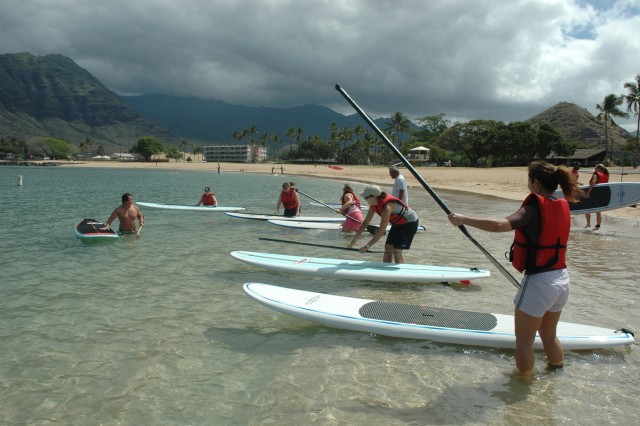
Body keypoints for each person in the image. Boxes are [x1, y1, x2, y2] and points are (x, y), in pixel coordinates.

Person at [447, 161, 583, 383]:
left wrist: (464, 219)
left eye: (529, 180)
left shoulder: (532, 209)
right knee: (549, 336)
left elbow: (501, 225)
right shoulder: (561, 205)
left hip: (540, 282)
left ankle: (523, 384)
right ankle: (556, 373)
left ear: (536, 182)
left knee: (524, 341)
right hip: (561, 279)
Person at [348, 184, 419, 263]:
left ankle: (400, 272)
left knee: (397, 250)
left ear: (374, 196)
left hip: (410, 223)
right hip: (397, 224)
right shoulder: (373, 205)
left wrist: (367, 246)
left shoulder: (387, 207)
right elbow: (365, 223)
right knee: (388, 248)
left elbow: (381, 231)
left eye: (366, 197)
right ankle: (385, 269)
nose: (364, 199)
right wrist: (354, 240)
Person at [584, 164, 609, 230]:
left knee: (586, 208)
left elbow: (593, 183)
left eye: (596, 168)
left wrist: (588, 192)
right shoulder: (606, 175)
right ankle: (598, 225)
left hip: (593, 194)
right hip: (601, 195)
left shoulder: (596, 174)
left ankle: (588, 224)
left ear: (599, 169)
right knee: (598, 211)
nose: (595, 169)